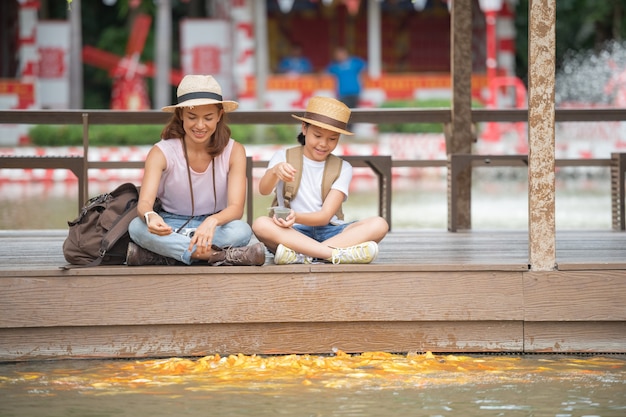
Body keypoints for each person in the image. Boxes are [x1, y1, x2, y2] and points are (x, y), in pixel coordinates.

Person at [126, 74, 265, 266]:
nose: (200, 126)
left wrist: (211, 222)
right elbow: (145, 204)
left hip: (215, 224)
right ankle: (218, 256)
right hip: (170, 224)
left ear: (219, 116)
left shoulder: (234, 151)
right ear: (181, 115)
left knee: (242, 230)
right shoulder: (161, 152)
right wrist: (151, 216)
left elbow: (235, 208)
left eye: (208, 118)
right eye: (192, 117)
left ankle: (164, 254)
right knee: (136, 227)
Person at [251, 96, 388, 265]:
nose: (323, 144)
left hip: (331, 231)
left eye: (332, 139)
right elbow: (264, 190)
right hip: (291, 232)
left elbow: (324, 217)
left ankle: (304, 256)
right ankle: (334, 254)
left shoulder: (343, 168)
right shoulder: (283, 157)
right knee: (260, 224)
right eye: (318, 135)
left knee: (379, 224)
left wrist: (296, 216)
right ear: (304, 128)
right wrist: (274, 171)